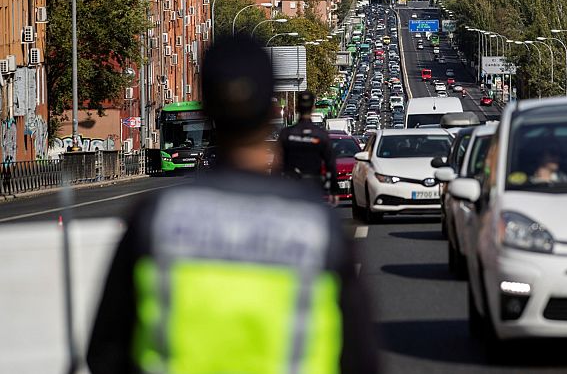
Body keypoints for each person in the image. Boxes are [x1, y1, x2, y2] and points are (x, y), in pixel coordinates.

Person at [87, 35, 378, 374]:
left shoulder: (155, 219)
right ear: (270, 112)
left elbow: (106, 352)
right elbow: (360, 358)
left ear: (207, 110)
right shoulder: (317, 227)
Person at [278, 91, 339, 203]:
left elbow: (277, 164)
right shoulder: (321, 135)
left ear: (297, 108)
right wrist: (333, 190)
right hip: (314, 188)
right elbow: (330, 164)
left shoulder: (286, 134)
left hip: (291, 188)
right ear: (313, 108)